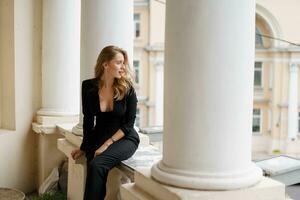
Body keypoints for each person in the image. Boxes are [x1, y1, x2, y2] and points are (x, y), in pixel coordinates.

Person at [71, 45, 140, 200]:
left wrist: (106, 144)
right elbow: (88, 119)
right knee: (92, 164)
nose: (123, 67)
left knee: (98, 164)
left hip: (124, 137)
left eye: (123, 63)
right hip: (99, 134)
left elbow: (129, 124)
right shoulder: (88, 86)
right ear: (105, 64)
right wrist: (84, 146)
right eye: (119, 62)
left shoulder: (128, 88)